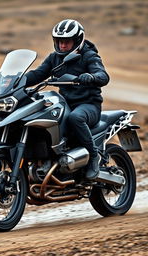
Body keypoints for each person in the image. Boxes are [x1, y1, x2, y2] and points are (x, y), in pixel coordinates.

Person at [25, 19, 110, 181]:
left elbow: (103, 76)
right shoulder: (54, 58)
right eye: (59, 42)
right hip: (66, 104)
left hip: (89, 106)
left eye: (67, 42)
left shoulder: (89, 56)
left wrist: (91, 77)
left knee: (75, 118)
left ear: (77, 41)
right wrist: (9, 81)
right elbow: (37, 74)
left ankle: (93, 157)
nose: (62, 46)